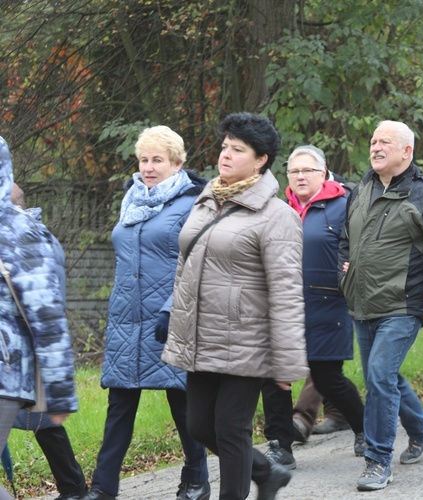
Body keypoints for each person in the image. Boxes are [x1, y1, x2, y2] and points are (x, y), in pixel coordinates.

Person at [162, 112, 307, 500]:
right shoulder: (207, 201)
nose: (225, 155)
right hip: (201, 335)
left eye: (237, 149)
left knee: (230, 430)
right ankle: (266, 472)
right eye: (225, 146)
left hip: (247, 341)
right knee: (199, 426)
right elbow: (184, 267)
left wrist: (288, 362)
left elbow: (287, 292)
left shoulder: (277, 216)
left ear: (260, 160)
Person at [84, 126, 210, 500]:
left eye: (158, 160)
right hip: (126, 317)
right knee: (119, 404)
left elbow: (197, 264)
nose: (149, 167)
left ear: (177, 162)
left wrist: (174, 308)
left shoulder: (193, 202)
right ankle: (103, 488)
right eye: (144, 159)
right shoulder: (131, 200)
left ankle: (196, 478)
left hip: (172, 316)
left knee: (183, 402)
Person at [339, 120, 423, 491]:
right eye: (373, 141)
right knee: (385, 376)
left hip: (402, 305)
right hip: (362, 302)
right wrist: (342, 272)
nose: (375, 147)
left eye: (385, 143)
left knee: (379, 375)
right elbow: (346, 239)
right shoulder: (361, 187)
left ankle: (378, 460)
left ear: (406, 151)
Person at [0, 136, 78, 500]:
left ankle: (74, 489)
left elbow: (48, 317)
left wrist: (60, 394)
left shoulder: (25, 236)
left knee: (48, 430)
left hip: (7, 371)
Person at [284, 144, 365, 454]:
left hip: (329, 304)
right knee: (276, 378)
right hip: (287, 305)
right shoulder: (282, 208)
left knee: (327, 377)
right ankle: (282, 442)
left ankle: (363, 429)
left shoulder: (343, 205)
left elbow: (361, 248)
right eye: (295, 171)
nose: (301, 176)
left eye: (308, 170)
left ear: (323, 173)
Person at [10, 184, 88, 499]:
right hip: (24, 344)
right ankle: (73, 488)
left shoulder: (32, 238)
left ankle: (74, 488)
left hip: (28, 344)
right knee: (40, 418)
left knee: (41, 418)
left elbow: (44, 298)